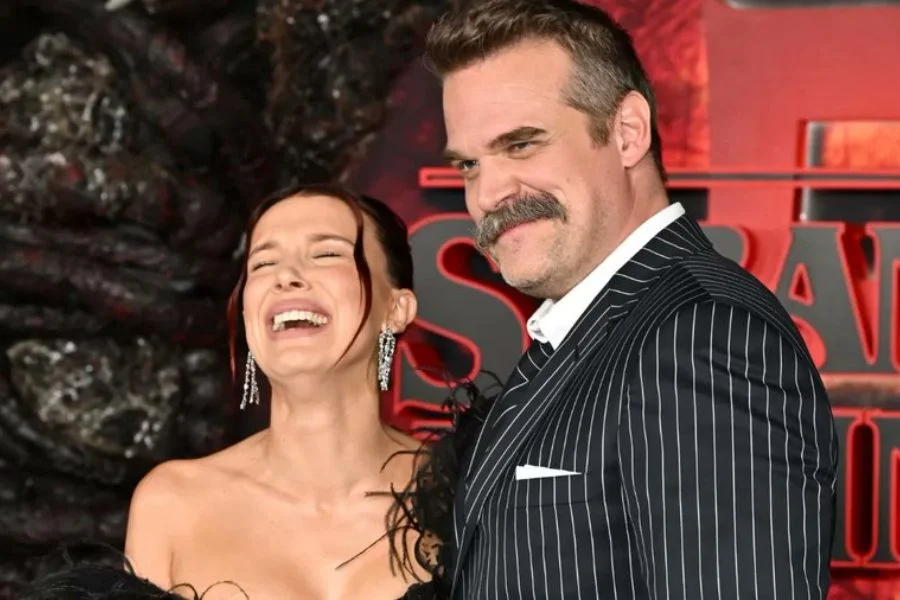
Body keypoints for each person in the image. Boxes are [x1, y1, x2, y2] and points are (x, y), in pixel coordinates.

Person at [420, 0, 839, 598]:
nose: (487, 193)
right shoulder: (595, 331)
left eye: (521, 145)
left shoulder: (702, 338)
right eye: (468, 163)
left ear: (627, 132)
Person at [124, 183, 427, 599]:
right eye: (263, 263)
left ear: (396, 309)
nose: (285, 277)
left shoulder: (464, 492)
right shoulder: (171, 503)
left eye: (326, 254)